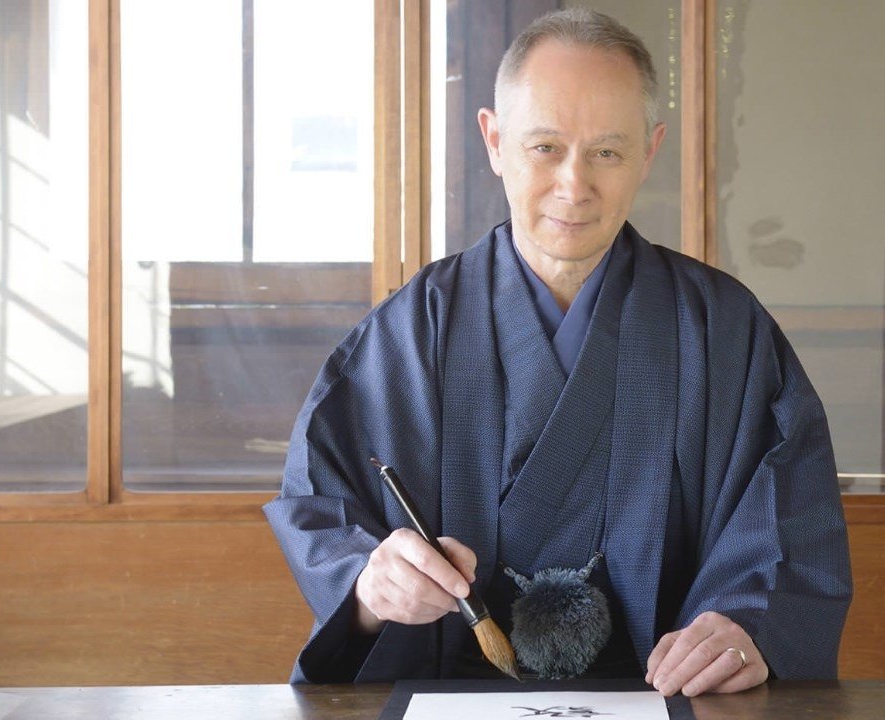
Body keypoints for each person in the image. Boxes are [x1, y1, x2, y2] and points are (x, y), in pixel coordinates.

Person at [263, 6, 851, 697]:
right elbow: (323, 505)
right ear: (494, 140)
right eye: (545, 147)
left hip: (668, 699)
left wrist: (746, 626)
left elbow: (788, 525)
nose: (574, 185)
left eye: (607, 152)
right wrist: (370, 584)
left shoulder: (721, 329)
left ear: (650, 150)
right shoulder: (413, 330)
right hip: (448, 698)